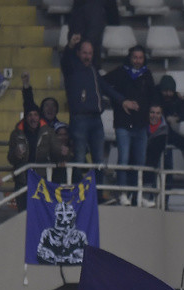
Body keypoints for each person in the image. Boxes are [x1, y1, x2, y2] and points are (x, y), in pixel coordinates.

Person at [103, 45, 156, 203]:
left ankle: (137, 193)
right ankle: (122, 192)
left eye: (140, 58)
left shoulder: (147, 75)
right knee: (124, 159)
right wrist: (120, 101)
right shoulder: (120, 72)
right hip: (123, 124)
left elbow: (153, 96)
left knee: (140, 161)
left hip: (141, 125)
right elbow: (102, 83)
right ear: (129, 57)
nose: (137, 61)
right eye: (135, 57)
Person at [60, 39, 105, 167]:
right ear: (78, 53)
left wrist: (123, 100)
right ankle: (77, 187)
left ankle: (98, 188)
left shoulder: (93, 70)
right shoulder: (71, 69)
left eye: (90, 53)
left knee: (99, 161)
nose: (87, 56)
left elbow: (105, 87)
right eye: (85, 53)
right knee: (79, 158)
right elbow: (64, 61)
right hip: (79, 119)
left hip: (96, 119)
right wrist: (69, 46)